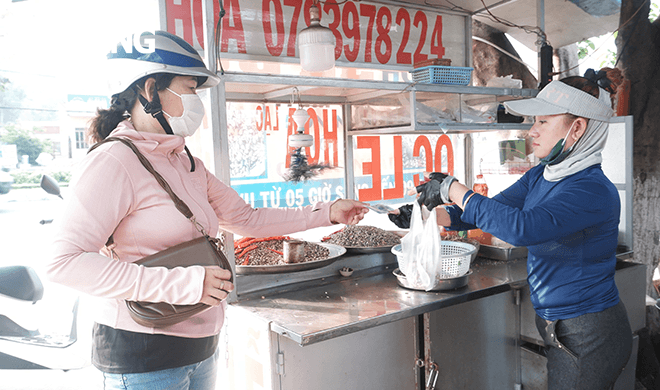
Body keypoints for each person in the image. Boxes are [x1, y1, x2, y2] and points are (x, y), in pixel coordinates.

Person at [46, 31, 368, 390]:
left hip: (201, 350)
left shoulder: (185, 161)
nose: (196, 101)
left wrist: (327, 213)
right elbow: (64, 262)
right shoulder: (114, 161)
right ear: (151, 90)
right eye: (189, 88)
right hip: (144, 357)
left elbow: (247, 219)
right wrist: (186, 283)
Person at [390, 69, 632, 390]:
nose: (532, 131)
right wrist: (426, 215)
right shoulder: (542, 175)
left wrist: (453, 188)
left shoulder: (592, 189)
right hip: (559, 325)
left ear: (577, 128)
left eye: (543, 122)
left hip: (588, 333)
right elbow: (489, 212)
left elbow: (521, 229)